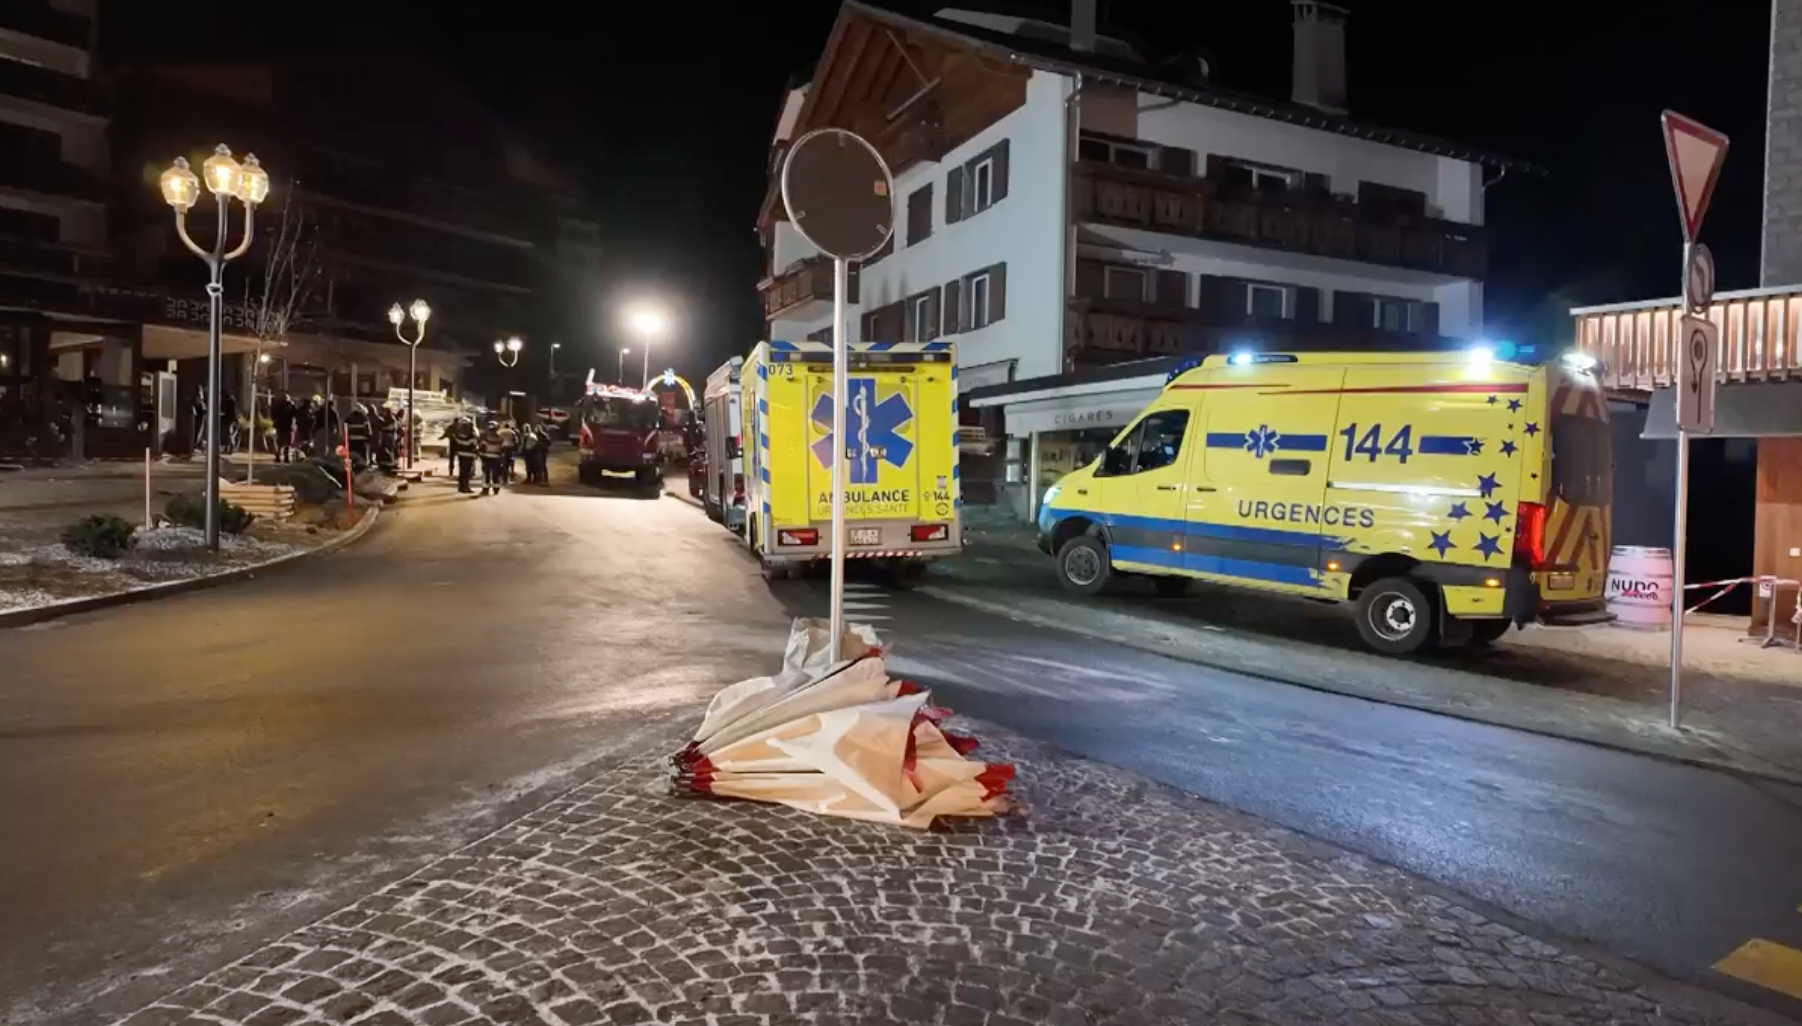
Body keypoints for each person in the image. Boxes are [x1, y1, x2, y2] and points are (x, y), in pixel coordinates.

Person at [477, 417, 508, 495]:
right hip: (497, 459)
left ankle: (485, 490)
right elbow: (503, 449)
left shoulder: (485, 437)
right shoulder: (500, 438)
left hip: (487, 458)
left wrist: (480, 456)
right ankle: (496, 489)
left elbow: (481, 447)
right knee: (496, 474)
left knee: (486, 474)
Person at [448, 416, 478, 493]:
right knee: (467, 473)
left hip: (461, 455)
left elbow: (457, 443)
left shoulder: (459, 434)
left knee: (462, 472)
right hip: (469, 455)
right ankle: (466, 487)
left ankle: (461, 487)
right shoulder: (472, 434)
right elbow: (473, 444)